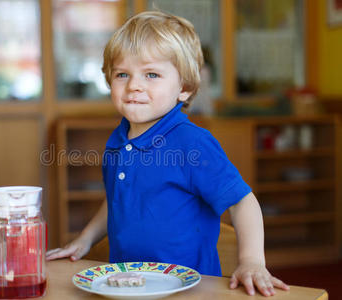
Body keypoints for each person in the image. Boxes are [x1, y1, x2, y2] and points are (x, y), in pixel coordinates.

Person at [46, 11, 289, 297]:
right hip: (128, 286)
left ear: (184, 88)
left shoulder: (192, 143)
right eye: (122, 74)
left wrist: (252, 261)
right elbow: (116, 198)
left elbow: (242, 202)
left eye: (152, 74)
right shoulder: (117, 142)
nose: (134, 85)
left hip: (189, 289)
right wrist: (84, 240)